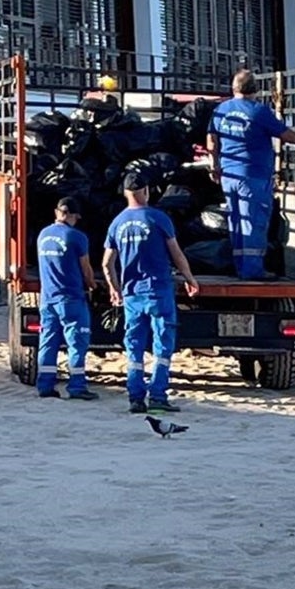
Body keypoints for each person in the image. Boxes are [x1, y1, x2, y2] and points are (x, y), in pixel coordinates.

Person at [103, 171, 200, 414]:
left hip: (132, 294)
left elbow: (106, 263)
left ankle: (135, 397)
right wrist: (189, 277)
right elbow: (176, 252)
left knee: (134, 346)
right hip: (158, 291)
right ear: (146, 191)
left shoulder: (117, 223)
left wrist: (115, 289)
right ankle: (157, 396)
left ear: (125, 194)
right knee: (162, 346)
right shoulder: (159, 218)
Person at [207, 68, 295, 280]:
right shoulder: (258, 111)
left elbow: (212, 140)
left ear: (234, 88)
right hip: (253, 175)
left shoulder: (221, 109)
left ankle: (240, 267)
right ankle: (253, 271)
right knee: (253, 221)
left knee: (237, 220)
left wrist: (214, 165)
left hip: (229, 176)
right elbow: (285, 134)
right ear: (255, 89)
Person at [35, 196, 98, 401]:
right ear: (71, 215)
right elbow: (86, 268)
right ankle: (77, 386)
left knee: (48, 341)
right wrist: (92, 285)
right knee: (77, 343)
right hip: (70, 298)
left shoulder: (43, 235)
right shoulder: (76, 237)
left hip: (48, 298)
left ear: (57, 212)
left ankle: (45, 385)